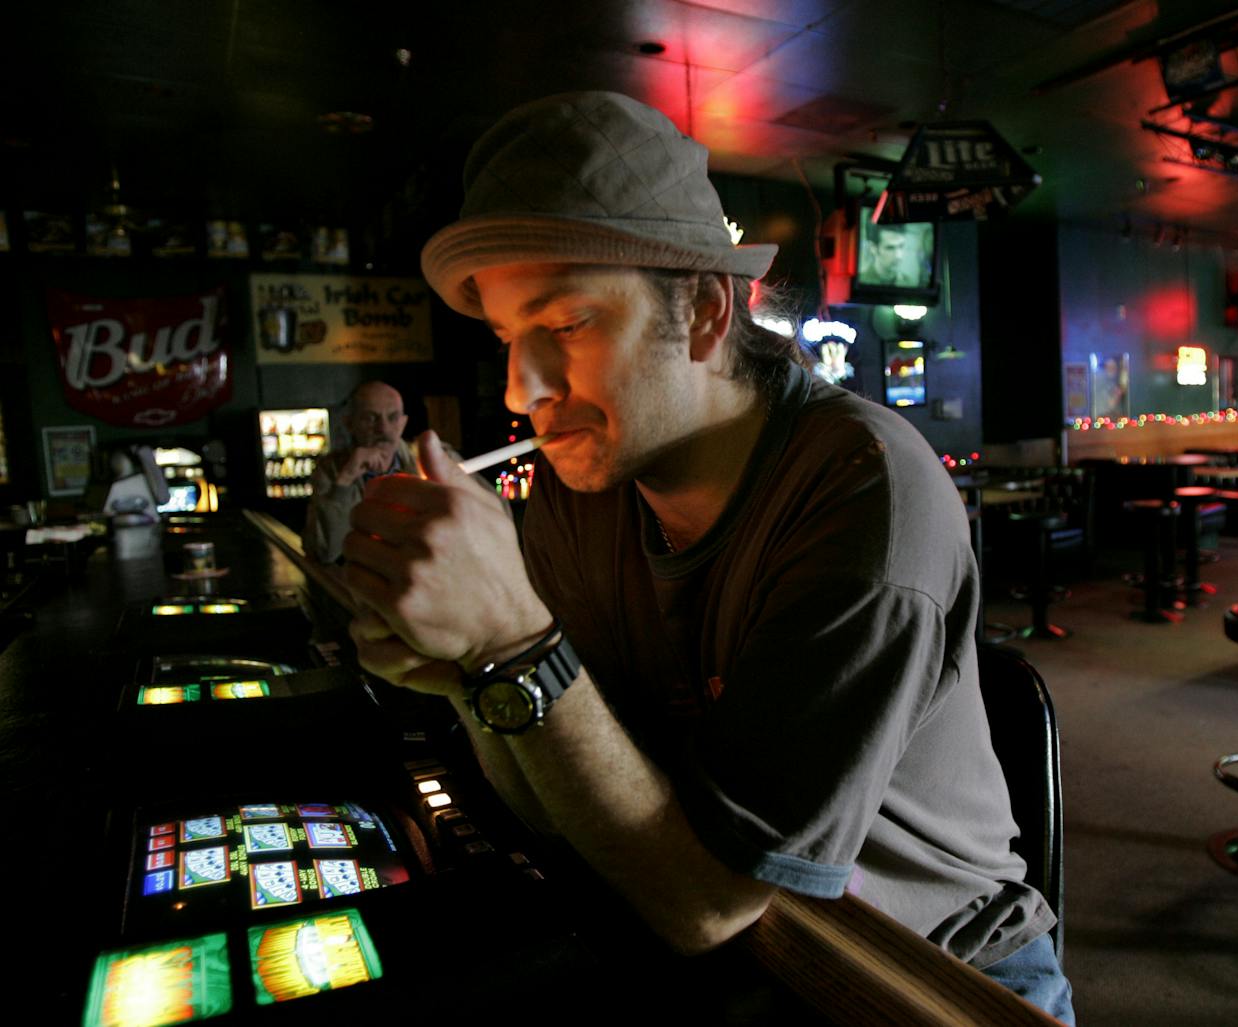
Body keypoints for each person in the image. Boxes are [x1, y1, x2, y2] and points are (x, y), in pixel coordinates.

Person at [341, 91, 1072, 1021]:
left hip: (933, 976)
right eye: (506, 338)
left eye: (565, 325)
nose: (524, 391)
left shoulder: (864, 485)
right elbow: (551, 796)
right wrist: (462, 668)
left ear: (704, 313)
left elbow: (713, 903)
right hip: (735, 944)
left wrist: (515, 644)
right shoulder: (582, 487)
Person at [302, 381, 413, 564]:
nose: (383, 429)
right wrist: (345, 479)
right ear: (349, 424)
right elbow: (325, 552)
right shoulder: (330, 470)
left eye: (392, 418)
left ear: (403, 423)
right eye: (370, 418)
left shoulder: (426, 462)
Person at [859, 222, 926, 287]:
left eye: (901, 246)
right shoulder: (861, 281)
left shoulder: (909, 283)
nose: (898, 256)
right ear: (873, 248)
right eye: (890, 248)